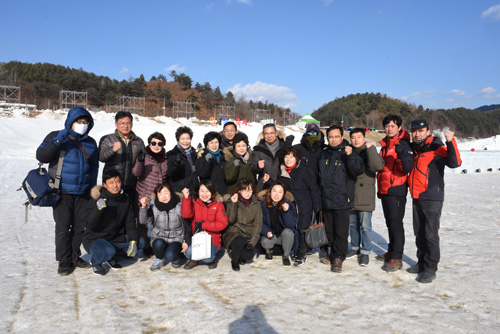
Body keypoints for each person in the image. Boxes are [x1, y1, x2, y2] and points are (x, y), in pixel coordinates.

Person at [36, 107, 99, 276]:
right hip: (62, 190)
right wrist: (58, 140)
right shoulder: (56, 136)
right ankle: (64, 260)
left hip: (83, 192)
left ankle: (75, 255)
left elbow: (94, 168)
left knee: (80, 227)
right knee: (63, 227)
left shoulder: (91, 142)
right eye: (79, 121)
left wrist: (92, 189)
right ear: (71, 121)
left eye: (85, 122)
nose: (82, 125)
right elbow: (41, 156)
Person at [407, 119, 461, 283]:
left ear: (428, 131)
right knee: (419, 232)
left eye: (421, 130)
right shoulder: (415, 148)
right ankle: (422, 262)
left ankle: (431, 268)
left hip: (432, 197)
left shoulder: (436, 147)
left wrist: (450, 142)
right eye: (414, 131)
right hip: (416, 196)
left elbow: (455, 162)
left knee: (430, 234)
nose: (417, 134)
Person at [318, 125, 364, 273]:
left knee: (341, 231)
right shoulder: (323, 153)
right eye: (331, 137)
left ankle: (338, 257)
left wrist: (350, 156)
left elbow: (357, 170)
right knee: (330, 230)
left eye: (337, 136)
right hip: (326, 199)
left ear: (342, 137)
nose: (334, 139)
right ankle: (333, 252)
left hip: (342, 199)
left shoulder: (348, 151)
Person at [83, 170, 141, 276]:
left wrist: (133, 240)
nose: (115, 185)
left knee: (139, 242)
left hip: (113, 237)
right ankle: (96, 261)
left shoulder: (125, 199)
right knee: (108, 250)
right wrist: (98, 210)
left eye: (118, 181)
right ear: (105, 185)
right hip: (94, 239)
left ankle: (111, 257)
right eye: (111, 182)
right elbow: (89, 224)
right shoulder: (97, 198)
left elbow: (130, 222)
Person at [376, 115, 414, 272]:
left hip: (396, 189)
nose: (389, 128)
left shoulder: (403, 144)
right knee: (390, 223)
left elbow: (406, 167)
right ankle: (391, 251)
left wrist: (402, 154)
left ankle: (397, 258)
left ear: (399, 128)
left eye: (393, 126)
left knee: (396, 224)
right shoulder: (385, 144)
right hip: (385, 189)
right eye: (387, 126)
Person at [346, 128, 385, 266]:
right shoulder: (348, 151)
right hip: (350, 193)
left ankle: (365, 251)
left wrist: (371, 149)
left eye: (359, 137)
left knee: (365, 226)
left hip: (365, 194)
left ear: (364, 138)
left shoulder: (369, 150)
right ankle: (355, 247)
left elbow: (377, 166)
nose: (356, 139)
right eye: (353, 137)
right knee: (352, 225)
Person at [278, 146, 321, 266]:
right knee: (294, 228)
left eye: (291, 157)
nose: (288, 159)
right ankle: (295, 249)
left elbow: (314, 189)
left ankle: (301, 253)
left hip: (305, 205)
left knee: (303, 229)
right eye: (286, 157)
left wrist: (317, 205)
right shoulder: (282, 172)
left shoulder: (304, 171)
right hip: (291, 205)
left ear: (296, 158)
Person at [98, 110, 145, 206]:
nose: (125, 126)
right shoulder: (107, 139)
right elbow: (101, 157)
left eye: (128, 123)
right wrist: (112, 150)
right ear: (116, 124)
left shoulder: (139, 141)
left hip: (131, 186)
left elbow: (143, 162)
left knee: (128, 214)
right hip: (112, 186)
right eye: (122, 123)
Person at [132, 132, 168, 254]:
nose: (156, 146)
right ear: (149, 143)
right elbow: (136, 173)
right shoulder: (144, 156)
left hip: (158, 196)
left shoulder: (165, 158)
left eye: (160, 143)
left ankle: (154, 245)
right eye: (153, 143)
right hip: (144, 194)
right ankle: (146, 245)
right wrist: (140, 161)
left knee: (156, 221)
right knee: (143, 222)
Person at [181, 180, 228, 270]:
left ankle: (211, 260)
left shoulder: (218, 204)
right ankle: (195, 260)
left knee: (207, 258)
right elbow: (186, 214)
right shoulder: (194, 203)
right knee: (188, 253)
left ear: (212, 192)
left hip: (213, 240)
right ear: (198, 192)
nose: (205, 194)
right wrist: (186, 198)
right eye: (202, 191)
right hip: (197, 239)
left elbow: (222, 224)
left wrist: (204, 225)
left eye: (207, 191)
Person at [139, 182, 185, 271]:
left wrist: (185, 240)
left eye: (166, 193)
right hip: (159, 236)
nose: (163, 196)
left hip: (176, 238)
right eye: (160, 194)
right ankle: (159, 258)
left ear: (171, 193)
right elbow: (143, 220)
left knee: (170, 255)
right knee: (158, 243)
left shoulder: (180, 205)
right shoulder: (153, 206)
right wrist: (143, 207)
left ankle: (175, 257)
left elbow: (186, 224)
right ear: (157, 196)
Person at [223, 178, 263, 271]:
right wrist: (233, 203)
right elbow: (231, 220)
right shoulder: (232, 201)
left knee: (247, 256)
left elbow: (258, 224)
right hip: (235, 232)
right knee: (239, 241)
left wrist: (252, 242)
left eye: (249, 190)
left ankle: (239, 253)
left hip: (248, 234)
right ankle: (235, 260)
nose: (247, 193)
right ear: (239, 191)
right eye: (244, 190)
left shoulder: (256, 203)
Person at [259, 181, 298, 266]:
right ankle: (268, 251)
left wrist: (286, 212)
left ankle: (286, 256)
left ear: (283, 194)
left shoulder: (288, 204)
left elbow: (291, 225)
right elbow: (259, 222)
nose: (277, 194)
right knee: (265, 242)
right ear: (270, 192)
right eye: (274, 191)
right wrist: (266, 231)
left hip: (282, 236)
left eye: (280, 192)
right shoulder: (263, 204)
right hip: (270, 235)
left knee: (288, 232)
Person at [252, 123, 294, 191]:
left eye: (271, 133)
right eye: (266, 133)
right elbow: (252, 168)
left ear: (276, 133)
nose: (269, 136)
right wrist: (257, 166)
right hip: (264, 187)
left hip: (281, 186)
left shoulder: (284, 148)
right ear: (263, 135)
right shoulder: (258, 149)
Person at [167, 126, 199, 193]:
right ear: (178, 139)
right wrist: (176, 165)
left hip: (194, 190)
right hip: (180, 191)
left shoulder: (193, 153)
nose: (185, 141)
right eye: (182, 139)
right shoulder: (172, 154)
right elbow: (170, 173)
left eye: (188, 138)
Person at [195, 131, 227, 196]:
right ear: (207, 144)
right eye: (211, 143)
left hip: (222, 191)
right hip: (209, 192)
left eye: (216, 142)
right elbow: (201, 174)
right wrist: (208, 162)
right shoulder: (202, 156)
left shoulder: (223, 156)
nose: (214, 145)